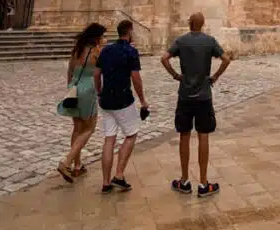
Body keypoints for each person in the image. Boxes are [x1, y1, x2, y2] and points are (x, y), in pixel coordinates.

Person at [161, 12, 232, 197]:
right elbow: (226, 59)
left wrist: (176, 76)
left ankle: (184, 180)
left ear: (189, 23)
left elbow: (164, 58)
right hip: (203, 97)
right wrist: (215, 76)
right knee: (203, 136)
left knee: (184, 135)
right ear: (203, 24)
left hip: (185, 95)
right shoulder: (210, 41)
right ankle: (203, 182)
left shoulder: (181, 41)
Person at [94, 19, 149, 194]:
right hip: (123, 100)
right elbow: (136, 78)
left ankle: (105, 182)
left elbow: (96, 73)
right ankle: (118, 175)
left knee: (109, 139)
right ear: (129, 32)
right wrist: (143, 100)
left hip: (106, 101)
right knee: (131, 135)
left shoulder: (106, 50)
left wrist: (99, 91)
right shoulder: (130, 51)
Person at [57, 23, 106, 182]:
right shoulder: (96, 52)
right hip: (88, 88)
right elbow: (100, 72)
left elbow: (70, 71)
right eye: (103, 36)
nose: (104, 39)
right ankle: (66, 161)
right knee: (89, 129)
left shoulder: (76, 49)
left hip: (74, 88)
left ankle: (77, 165)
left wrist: (70, 88)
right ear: (97, 37)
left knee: (77, 128)